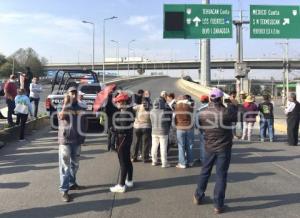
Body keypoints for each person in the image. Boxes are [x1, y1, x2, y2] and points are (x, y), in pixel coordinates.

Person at [194, 88, 237, 214]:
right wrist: (234, 104)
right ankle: (218, 205)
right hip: (224, 148)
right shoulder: (227, 112)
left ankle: (198, 195)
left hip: (209, 146)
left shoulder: (202, 113)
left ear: (210, 98)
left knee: (205, 172)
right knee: (221, 176)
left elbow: (200, 128)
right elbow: (239, 116)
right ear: (221, 98)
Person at [58, 87, 86, 202]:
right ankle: (64, 190)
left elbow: (84, 122)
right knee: (65, 166)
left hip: (77, 140)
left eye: (75, 93)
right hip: (65, 140)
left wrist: (83, 137)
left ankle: (72, 183)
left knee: (75, 164)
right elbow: (61, 116)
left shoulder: (80, 107)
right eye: (71, 93)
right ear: (67, 94)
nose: (73, 95)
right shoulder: (62, 106)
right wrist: (66, 103)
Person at [110, 92, 135, 193]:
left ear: (122, 102)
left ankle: (121, 185)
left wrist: (113, 129)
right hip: (127, 138)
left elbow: (123, 128)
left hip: (122, 139)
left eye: (118, 102)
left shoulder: (124, 113)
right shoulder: (128, 111)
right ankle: (129, 180)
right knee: (127, 160)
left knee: (123, 162)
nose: (117, 104)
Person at [150, 98, 172, 168]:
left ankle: (154, 161)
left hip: (154, 131)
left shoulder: (151, 111)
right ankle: (164, 163)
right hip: (163, 132)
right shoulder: (164, 112)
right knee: (163, 148)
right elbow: (168, 121)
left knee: (154, 147)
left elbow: (151, 121)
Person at [175, 95, 194, 168]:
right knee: (189, 145)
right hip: (189, 127)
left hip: (180, 128)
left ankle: (182, 163)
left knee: (181, 146)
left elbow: (174, 118)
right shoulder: (190, 107)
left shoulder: (176, 107)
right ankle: (190, 162)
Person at [131, 97, 152, 163]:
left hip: (137, 126)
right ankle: (144, 158)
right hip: (147, 127)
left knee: (135, 143)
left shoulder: (138, 106)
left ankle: (133, 157)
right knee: (145, 143)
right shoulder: (150, 108)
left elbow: (131, 109)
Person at [196, 95, 209, 164]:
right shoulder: (212, 107)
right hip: (212, 129)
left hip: (203, 129)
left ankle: (203, 159)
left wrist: (198, 128)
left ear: (201, 100)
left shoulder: (200, 109)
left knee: (203, 144)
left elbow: (197, 120)